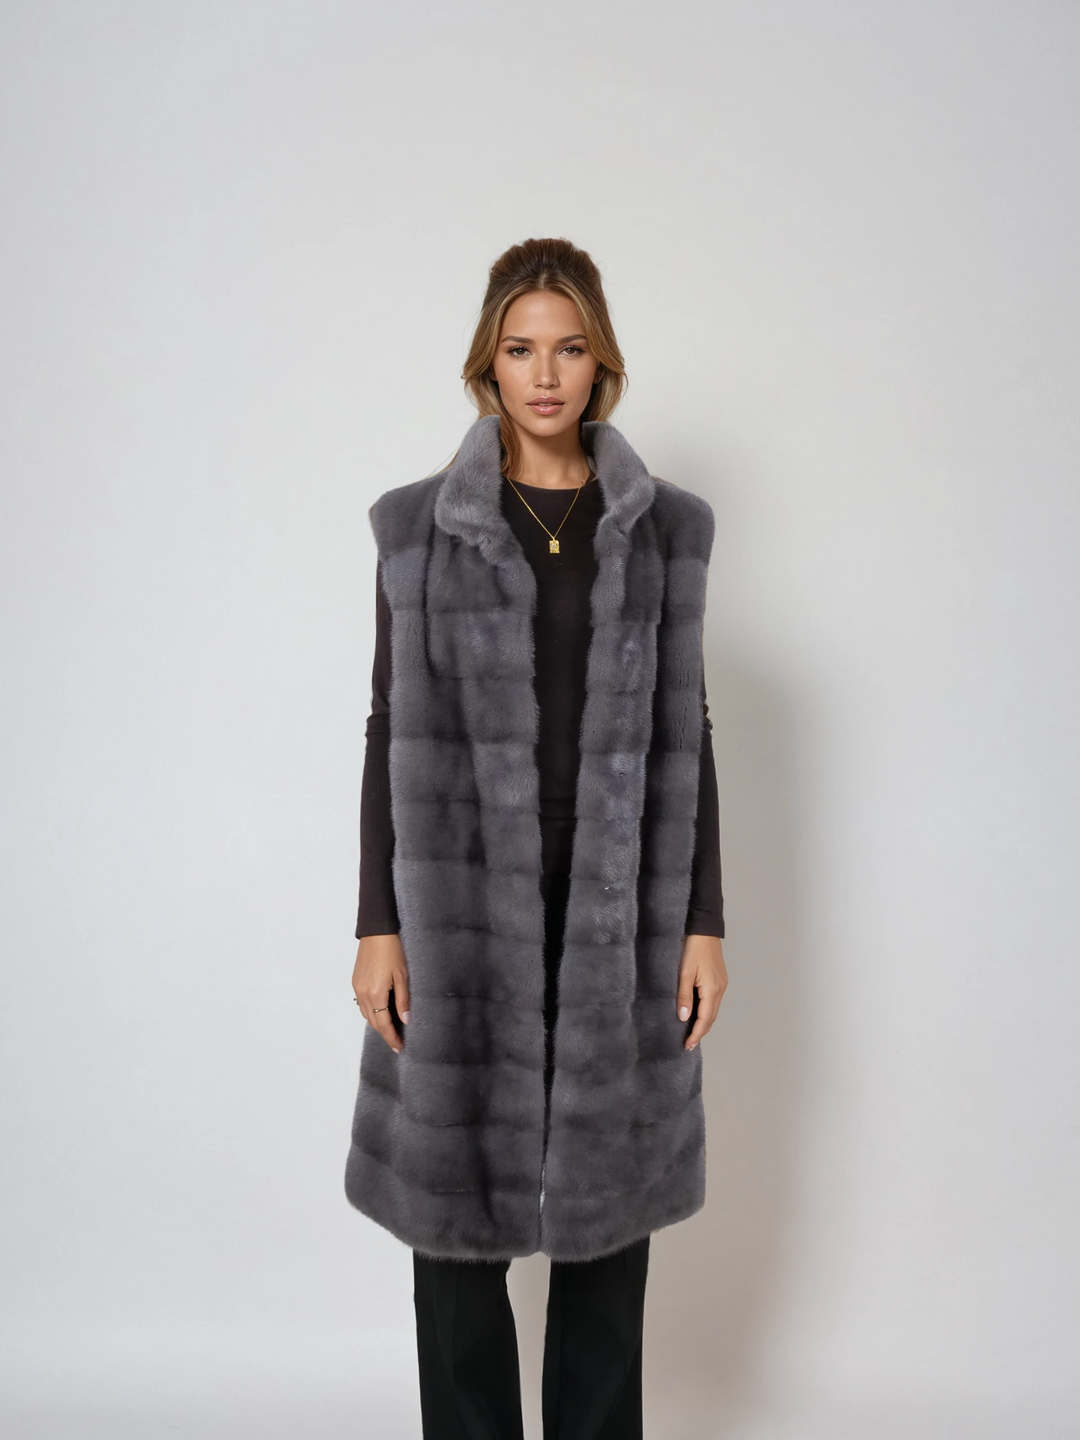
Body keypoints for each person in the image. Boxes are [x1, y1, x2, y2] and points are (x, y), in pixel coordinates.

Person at [345, 237, 728, 1440]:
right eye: (521, 349)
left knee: (608, 1221)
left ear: (601, 359)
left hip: (621, 906)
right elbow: (388, 723)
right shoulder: (417, 527)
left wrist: (703, 921)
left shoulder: (664, 529)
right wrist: (377, 923)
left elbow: (688, 727)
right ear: (488, 364)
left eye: (568, 348)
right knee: (451, 1217)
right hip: (458, 913)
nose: (545, 374)